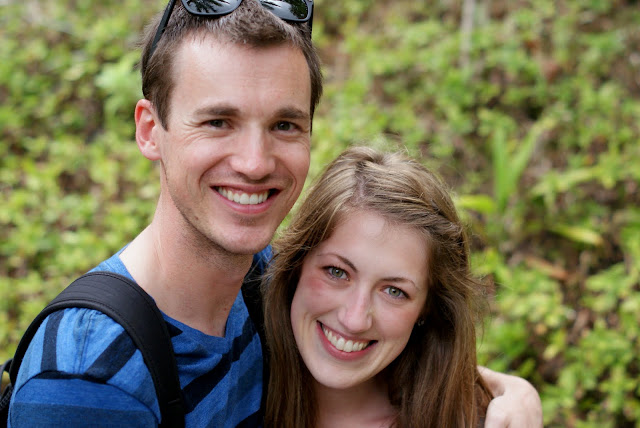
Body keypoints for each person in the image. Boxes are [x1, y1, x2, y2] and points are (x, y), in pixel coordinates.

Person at [7, 0, 541, 426]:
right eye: (218, 122)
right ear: (150, 130)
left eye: (284, 125)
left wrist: (508, 393)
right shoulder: (87, 379)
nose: (255, 163)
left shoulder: (264, 284)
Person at [262, 146, 531, 428]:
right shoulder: (240, 361)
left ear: (427, 309)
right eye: (337, 272)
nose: (354, 320)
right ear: (296, 264)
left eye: (394, 291)